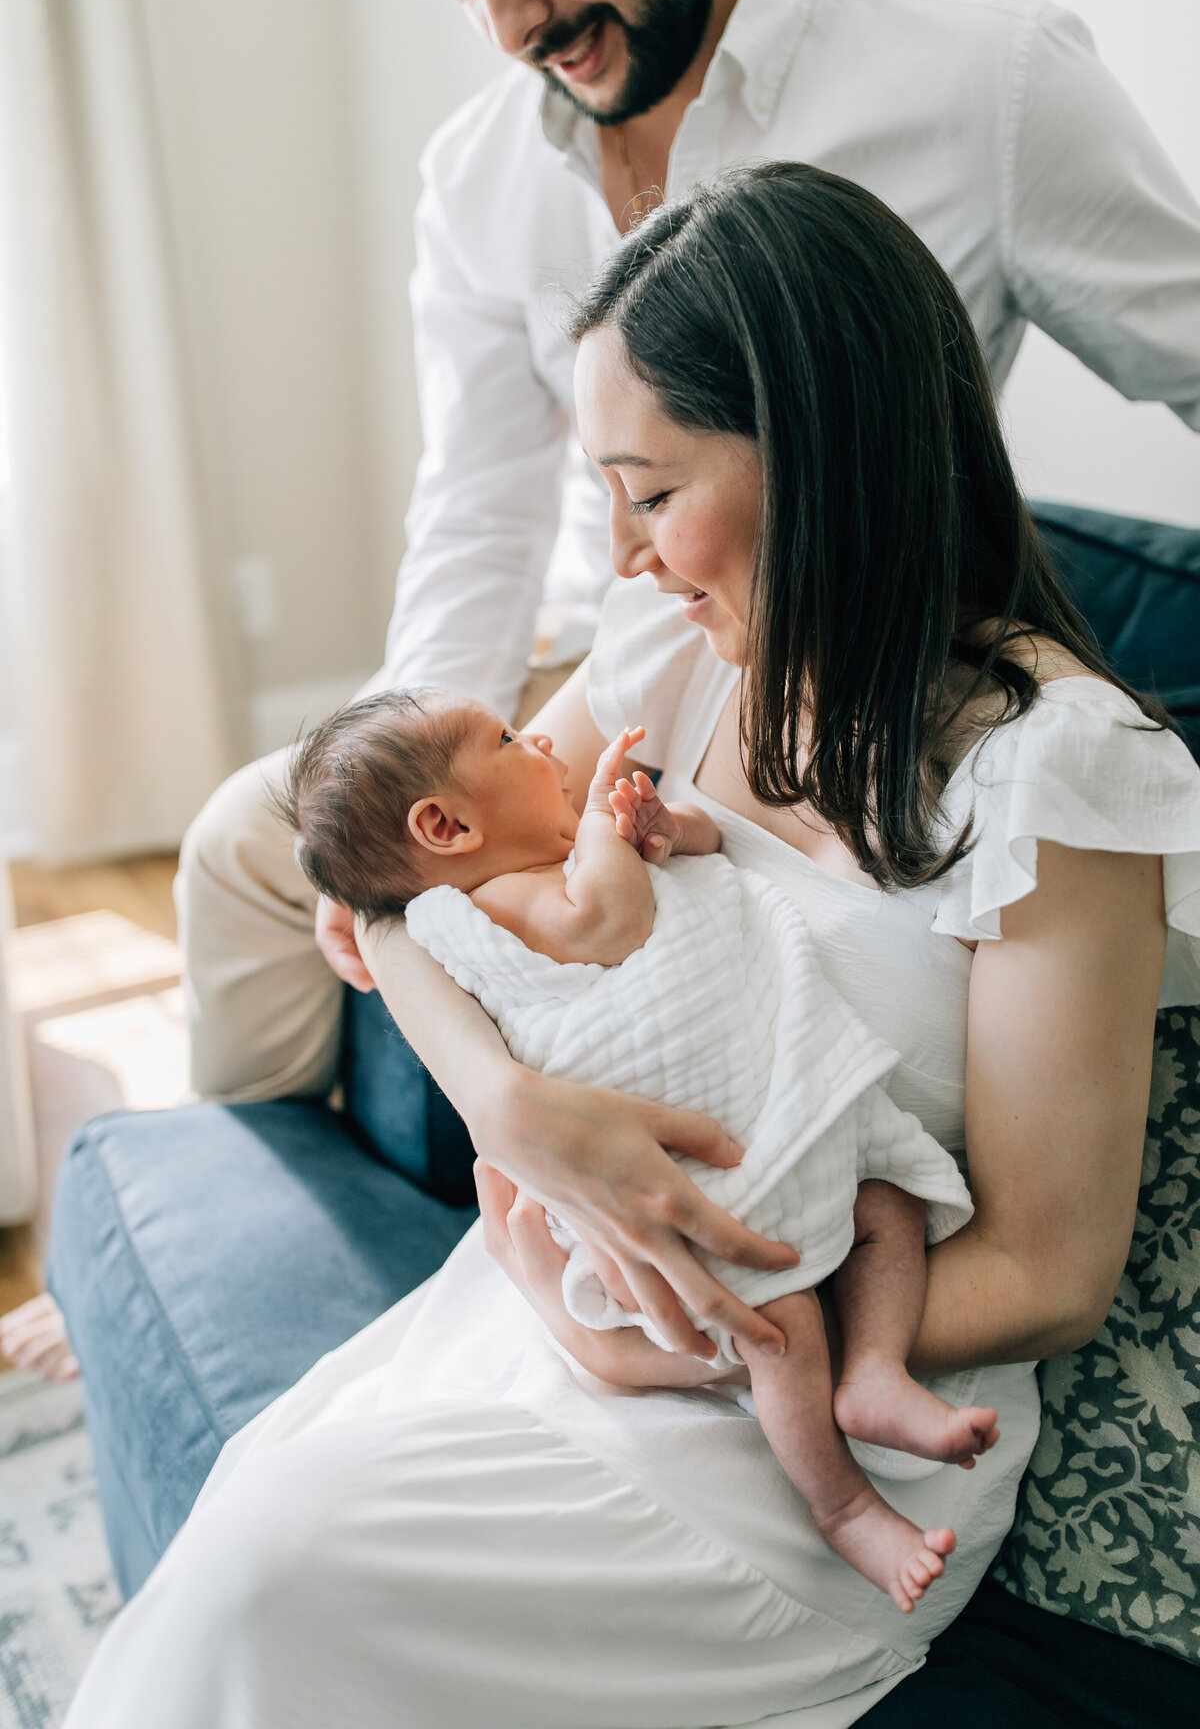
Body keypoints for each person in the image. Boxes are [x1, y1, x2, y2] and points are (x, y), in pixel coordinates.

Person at [60, 162, 1200, 1728]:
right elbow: (399, 907)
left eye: (654, 492)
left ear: (825, 459)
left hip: (800, 1432)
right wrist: (504, 1109)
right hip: (552, 1307)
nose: (627, 552)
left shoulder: (1057, 775)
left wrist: (685, 1329)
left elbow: (1052, 1273)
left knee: (283, 1577)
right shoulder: (676, 654)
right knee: (254, 1556)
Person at [9, 0, 1200, 1378]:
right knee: (245, 846)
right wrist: (414, 773)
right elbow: (475, 512)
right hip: (614, 651)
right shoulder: (483, 168)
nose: (510, 19)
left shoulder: (982, 77)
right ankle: (234, 1221)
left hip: (833, 626)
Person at [276, 692, 987, 1612]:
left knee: (890, 1195)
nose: (537, 736)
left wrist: (663, 824)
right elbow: (602, 927)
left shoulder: (551, 852)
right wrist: (611, 835)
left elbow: (707, 856)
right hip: (691, 1161)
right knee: (778, 1323)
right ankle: (844, 1505)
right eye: (506, 740)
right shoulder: (497, 902)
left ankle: (878, 1372)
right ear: (446, 826)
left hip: (770, 1102)